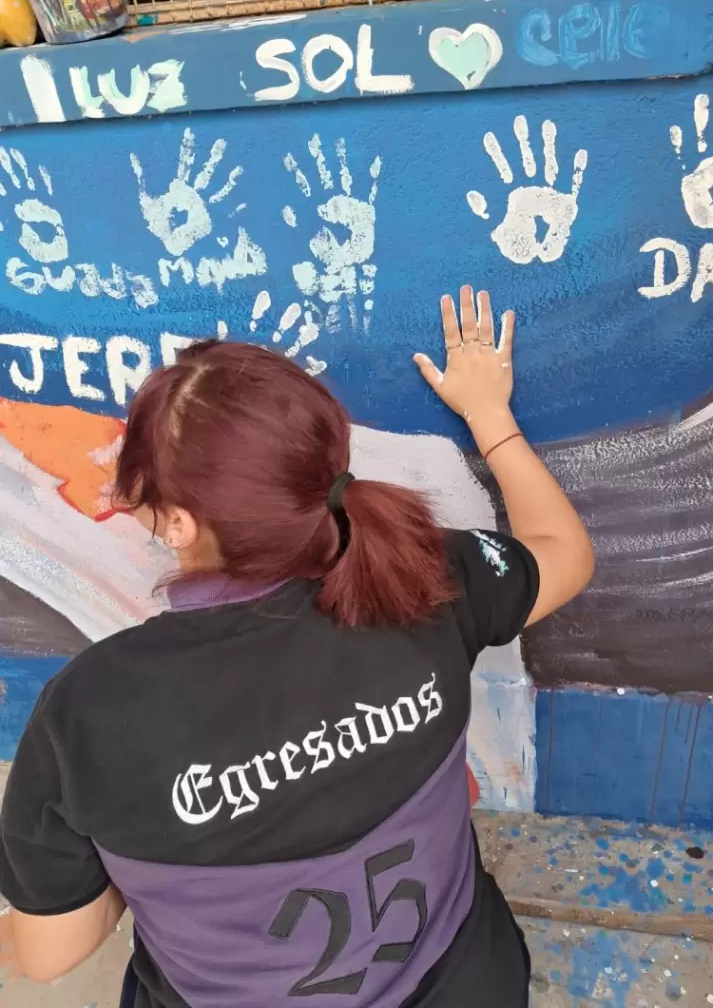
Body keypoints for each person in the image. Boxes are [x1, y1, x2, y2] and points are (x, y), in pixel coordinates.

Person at [0, 286, 594, 1008]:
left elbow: (47, 950)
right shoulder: (423, 579)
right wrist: (492, 418)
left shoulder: (89, 713)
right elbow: (564, 554)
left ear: (179, 523)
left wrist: (148, 846)